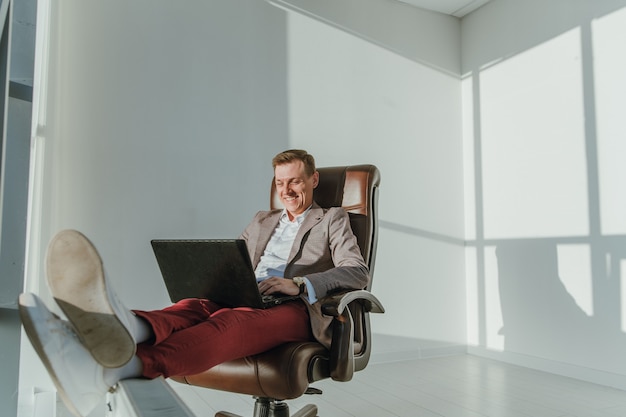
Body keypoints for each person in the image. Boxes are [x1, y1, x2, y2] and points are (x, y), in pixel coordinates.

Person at [19, 149, 369, 417]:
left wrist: (299, 284)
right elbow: (233, 261)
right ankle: (123, 326)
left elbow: (356, 270)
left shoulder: (331, 219)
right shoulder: (263, 219)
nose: (286, 190)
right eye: (280, 183)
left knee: (228, 322)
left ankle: (129, 366)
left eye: (294, 181)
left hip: (295, 308)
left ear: (313, 180)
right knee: (190, 307)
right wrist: (214, 279)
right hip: (246, 293)